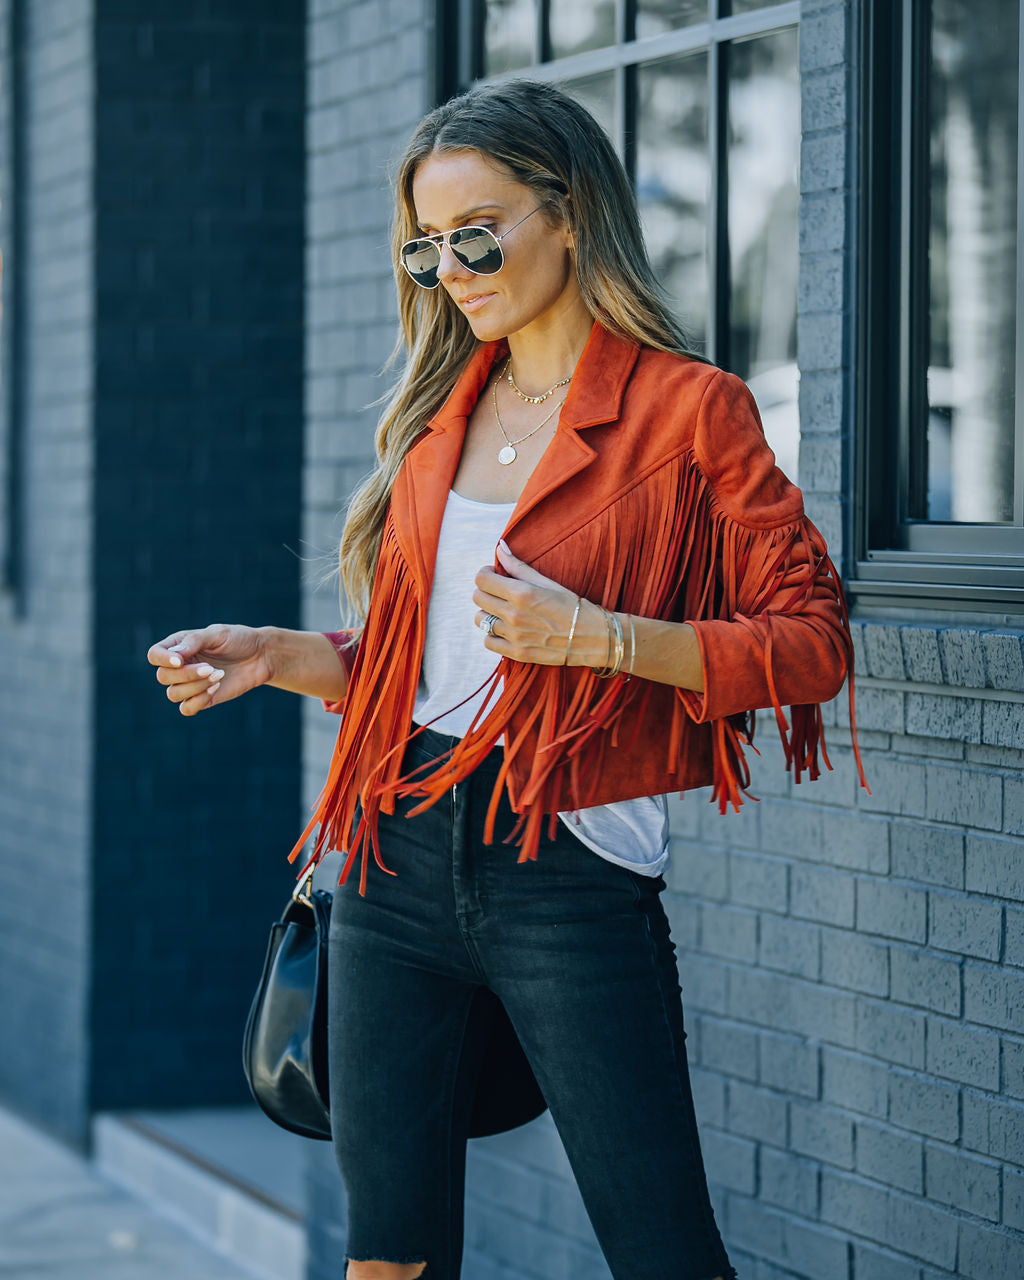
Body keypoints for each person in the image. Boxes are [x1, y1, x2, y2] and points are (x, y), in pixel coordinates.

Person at [148, 80, 861, 1280]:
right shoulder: (440, 419)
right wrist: (281, 657)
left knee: (662, 1249)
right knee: (388, 1253)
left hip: (571, 874)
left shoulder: (692, 411)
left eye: (474, 232)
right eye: (426, 248)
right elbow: (409, 671)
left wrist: (608, 640)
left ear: (567, 210)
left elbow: (811, 641)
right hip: (395, 854)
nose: (451, 267)